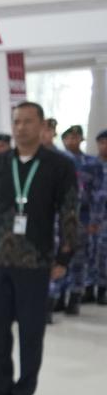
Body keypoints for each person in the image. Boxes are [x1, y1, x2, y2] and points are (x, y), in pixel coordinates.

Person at [0, 101, 79, 395]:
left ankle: (24, 392)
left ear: (42, 126)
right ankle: (1, 390)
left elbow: (69, 212)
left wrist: (64, 256)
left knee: (31, 331)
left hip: (35, 262)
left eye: (28, 121)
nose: (21, 127)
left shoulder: (58, 166)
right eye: (17, 121)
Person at [46, 125, 99, 316]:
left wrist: (95, 219)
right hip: (58, 216)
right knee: (59, 257)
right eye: (68, 137)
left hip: (82, 216)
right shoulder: (56, 159)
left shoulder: (91, 163)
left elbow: (97, 193)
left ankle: (75, 297)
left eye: (76, 137)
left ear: (81, 139)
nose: (72, 141)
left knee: (79, 259)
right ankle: (58, 297)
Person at [90, 129, 107, 305]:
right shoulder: (90, 164)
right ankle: (87, 288)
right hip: (91, 217)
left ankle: (102, 289)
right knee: (90, 252)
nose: (105, 146)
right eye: (102, 142)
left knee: (104, 255)